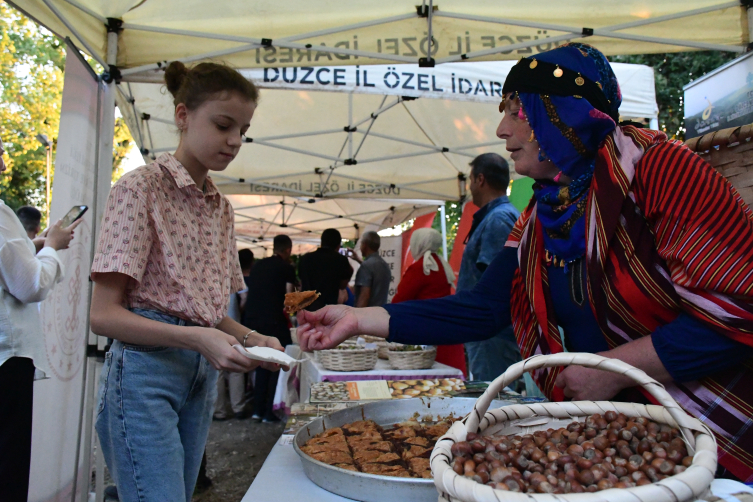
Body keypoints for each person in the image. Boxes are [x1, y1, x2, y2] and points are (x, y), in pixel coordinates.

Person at [296, 43, 753, 482]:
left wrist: (610, 369)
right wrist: (356, 319)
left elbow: (741, 312)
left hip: (712, 434)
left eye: (517, 109)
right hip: (620, 440)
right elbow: (483, 309)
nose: (502, 130)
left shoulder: (660, 171)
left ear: (563, 112)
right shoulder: (542, 214)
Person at [89, 61, 284, 502]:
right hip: (145, 372)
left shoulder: (221, 207)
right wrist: (197, 338)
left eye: (243, 130)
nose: (234, 141)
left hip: (199, 375)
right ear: (182, 116)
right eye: (223, 125)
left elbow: (211, 315)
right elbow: (103, 316)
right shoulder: (140, 189)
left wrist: (254, 338)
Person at [0, 138, 80, 502]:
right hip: (8, 357)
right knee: (9, 467)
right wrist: (53, 248)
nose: (4, 165)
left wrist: (37, 246)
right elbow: (30, 285)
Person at [460, 153, 522, 381]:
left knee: (493, 407)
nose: (469, 186)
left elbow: (495, 288)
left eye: (470, 179)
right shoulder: (499, 216)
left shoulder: (497, 219)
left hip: (492, 337)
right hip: (490, 336)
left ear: (480, 179)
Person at [391, 228, 465, 374]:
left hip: (426, 331)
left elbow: (399, 301)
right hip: (446, 328)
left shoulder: (420, 268)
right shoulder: (442, 265)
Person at [243, 234, 297, 422]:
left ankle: (257, 409)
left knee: (261, 364)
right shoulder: (286, 268)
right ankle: (270, 412)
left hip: (253, 321)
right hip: (274, 321)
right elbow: (290, 298)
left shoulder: (257, 265)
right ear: (288, 250)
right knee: (276, 363)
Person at [213, 248, 255, 421]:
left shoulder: (212, 274)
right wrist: (238, 312)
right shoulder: (232, 275)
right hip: (234, 325)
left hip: (213, 326)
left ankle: (219, 411)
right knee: (236, 367)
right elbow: (244, 297)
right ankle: (238, 407)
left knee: (217, 370)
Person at [297, 228, 352, 310]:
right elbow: (342, 285)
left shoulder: (305, 259)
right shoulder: (341, 260)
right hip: (328, 310)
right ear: (338, 245)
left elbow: (301, 283)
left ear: (321, 242)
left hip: (306, 309)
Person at [351, 231, 390, 307]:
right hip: (381, 312)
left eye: (361, 243)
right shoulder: (384, 265)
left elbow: (364, 296)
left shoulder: (366, 266)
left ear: (365, 245)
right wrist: (358, 259)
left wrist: (358, 315)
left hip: (367, 314)